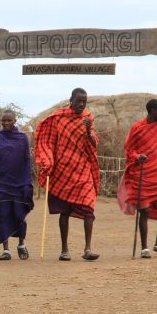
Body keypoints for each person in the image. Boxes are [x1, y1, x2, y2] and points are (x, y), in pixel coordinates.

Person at [35, 88, 100, 261]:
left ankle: (87, 249)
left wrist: (88, 131)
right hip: (62, 170)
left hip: (82, 169)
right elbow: (47, 140)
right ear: (71, 100)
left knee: (89, 208)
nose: (81, 105)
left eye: (84, 102)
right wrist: (47, 160)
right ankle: (64, 250)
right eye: (78, 101)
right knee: (64, 212)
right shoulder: (59, 118)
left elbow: (93, 144)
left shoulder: (88, 119)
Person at [117, 99, 157, 258]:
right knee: (143, 211)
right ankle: (144, 248)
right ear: (152, 110)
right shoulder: (137, 128)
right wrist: (138, 157)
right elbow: (129, 149)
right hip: (142, 174)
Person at [0, 110, 34, 260]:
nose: (6, 123)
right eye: (4, 121)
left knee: (19, 215)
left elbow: (26, 160)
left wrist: (28, 181)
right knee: (1, 215)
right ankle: (6, 250)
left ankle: (21, 244)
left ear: (15, 121)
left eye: (9, 120)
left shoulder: (22, 139)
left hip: (19, 182)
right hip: (0, 183)